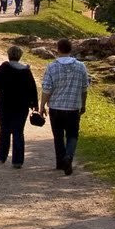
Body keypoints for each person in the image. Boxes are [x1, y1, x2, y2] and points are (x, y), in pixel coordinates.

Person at [40, 38, 90, 175]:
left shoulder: (52, 67)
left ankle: (60, 163)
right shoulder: (81, 66)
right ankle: (68, 156)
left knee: (58, 136)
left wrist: (42, 106)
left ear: (58, 49)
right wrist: (83, 104)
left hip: (56, 107)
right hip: (73, 107)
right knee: (72, 135)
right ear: (71, 49)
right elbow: (84, 88)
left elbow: (47, 89)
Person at [0, 45, 39, 166]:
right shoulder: (26, 71)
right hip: (22, 107)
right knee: (18, 132)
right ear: (20, 56)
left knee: (4, 130)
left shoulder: (2, 69)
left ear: (8, 55)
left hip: (4, 105)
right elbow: (32, 89)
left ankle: (2, 155)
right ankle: (18, 160)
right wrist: (35, 104)